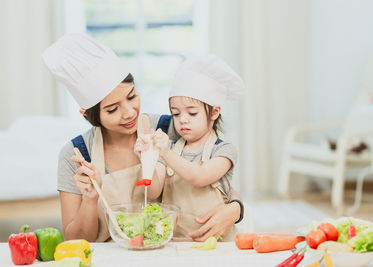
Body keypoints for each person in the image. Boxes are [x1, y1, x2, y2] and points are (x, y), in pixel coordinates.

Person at [42, 33, 243, 242]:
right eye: (112, 109)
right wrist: (90, 199)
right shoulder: (77, 155)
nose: (129, 112)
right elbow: (76, 239)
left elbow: (215, 181)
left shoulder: (169, 130)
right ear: (88, 115)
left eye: (131, 96)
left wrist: (235, 210)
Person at [136, 55, 244, 241]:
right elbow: (153, 191)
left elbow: (200, 177)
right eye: (176, 114)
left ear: (215, 112)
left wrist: (167, 154)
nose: (182, 119)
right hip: (176, 241)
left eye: (192, 113)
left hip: (216, 243)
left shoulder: (224, 150)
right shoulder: (169, 147)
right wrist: (146, 158)